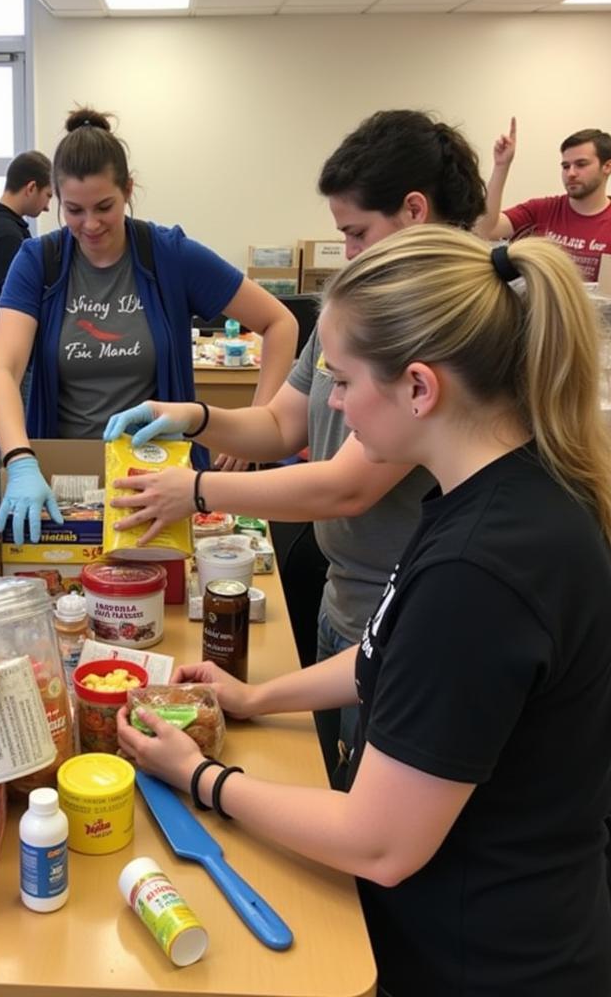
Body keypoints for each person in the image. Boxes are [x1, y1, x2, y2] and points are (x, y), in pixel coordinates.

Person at [119, 225, 611, 996]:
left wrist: (204, 777)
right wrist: (257, 696)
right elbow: (390, 654)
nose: (334, 407)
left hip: (482, 958)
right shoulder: (488, 494)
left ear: (420, 387)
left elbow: (380, 843)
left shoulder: (479, 568)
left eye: (343, 382)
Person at [104, 110, 486, 783]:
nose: (349, 253)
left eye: (356, 234)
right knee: (335, 775)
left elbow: (344, 484)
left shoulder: (440, 329)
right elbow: (283, 426)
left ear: (415, 211)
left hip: (403, 619)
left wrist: (194, 491)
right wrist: (193, 417)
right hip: (350, 606)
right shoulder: (358, 306)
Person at [0, 106, 298, 545]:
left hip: (160, 478)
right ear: (54, 198)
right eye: (73, 210)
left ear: (129, 190)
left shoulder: (168, 255)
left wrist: (254, 427)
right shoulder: (40, 262)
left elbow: (279, 321)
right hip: (66, 479)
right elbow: (1, 368)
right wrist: (19, 459)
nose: (89, 225)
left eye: (104, 207)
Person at [477, 120, 611, 282]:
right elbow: (485, 230)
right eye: (566, 166)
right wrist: (501, 166)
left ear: (607, 167)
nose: (571, 173)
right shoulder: (541, 210)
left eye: (581, 164)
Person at [0, 150, 53, 405]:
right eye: (47, 195)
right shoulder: (6, 234)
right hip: (9, 360)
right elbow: (23, 300)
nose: (48, 205)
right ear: (31, 187)